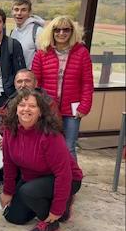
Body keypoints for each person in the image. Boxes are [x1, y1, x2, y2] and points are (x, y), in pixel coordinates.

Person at [0, 89, 83, 231]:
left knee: (28, 192)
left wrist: (56, 209)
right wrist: (8, 191)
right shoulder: (10, 130)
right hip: (32, 177)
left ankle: (53, 220)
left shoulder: (50, 134)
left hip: (67, 179)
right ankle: (44, 201)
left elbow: (63, 174)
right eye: (22, 105)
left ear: (40, 112)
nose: (26, 109)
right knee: (13, 217)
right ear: (15, 109)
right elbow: (9, 163)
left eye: (32, 106)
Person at [31, 16, 93, 159]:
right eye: (57, 30)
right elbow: (36, 82)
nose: (61, 33)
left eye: (66, 29)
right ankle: (50, 178)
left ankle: (73, 180)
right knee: (47, 145)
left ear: (72, 32)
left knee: (69, 147)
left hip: (72, 110)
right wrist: (38, 105)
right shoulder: (42, 53)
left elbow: (87, 83)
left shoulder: (82, 53)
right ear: (51, 32)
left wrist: (84, 106)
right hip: (48, 107)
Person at [10, 0, 45, 67]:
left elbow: (44, 60)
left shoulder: (38, 32)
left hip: (33, 76)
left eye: (23, 10)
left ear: (30, 12)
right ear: (12, 11)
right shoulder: (13, 32)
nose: (19, 13)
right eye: (16, 9)